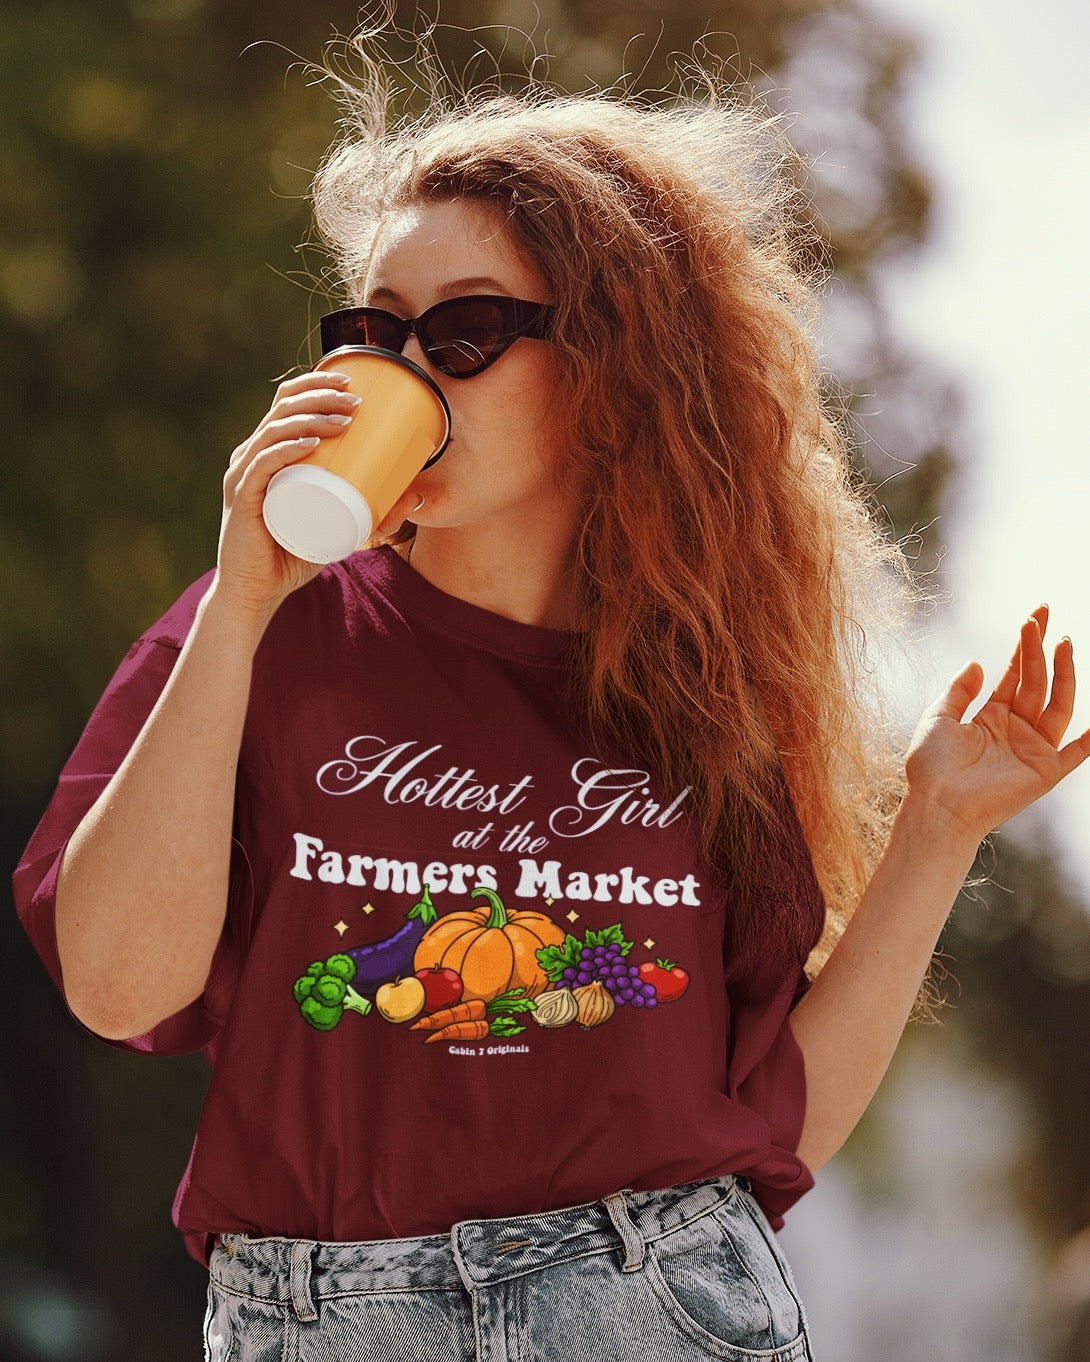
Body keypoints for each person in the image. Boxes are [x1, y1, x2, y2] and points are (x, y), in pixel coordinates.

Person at [13, 26, 1090, 1362]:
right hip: (321, 1322)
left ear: (611, 367)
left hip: (654, 1303)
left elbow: (764, 1131)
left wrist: (934, 830)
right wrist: (237, 606)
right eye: (372, 333)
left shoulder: (704, 700)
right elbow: (118, 986)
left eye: (461, 333)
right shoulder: (260, 628)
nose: (403, 373)